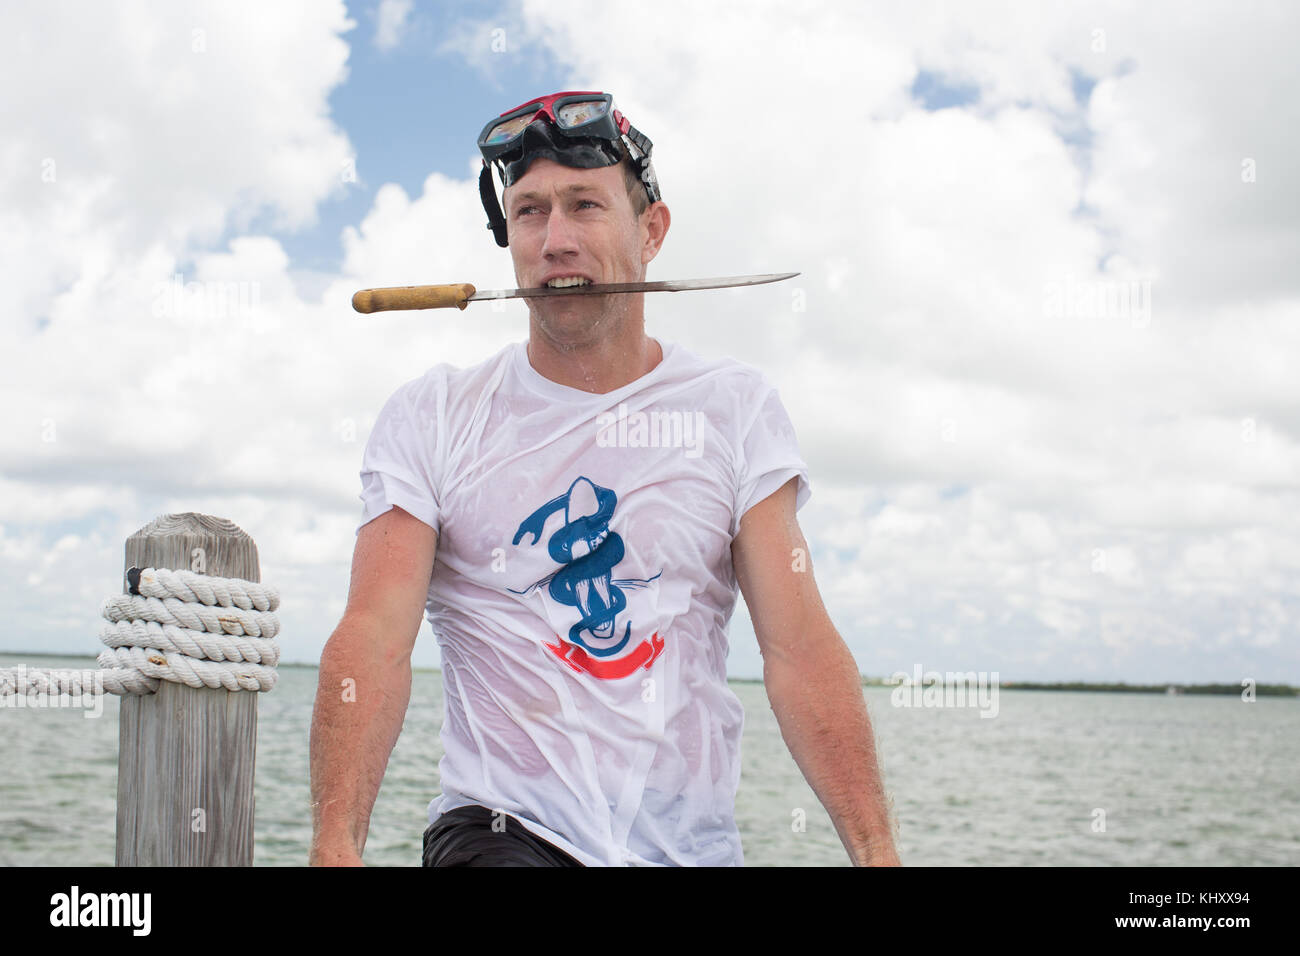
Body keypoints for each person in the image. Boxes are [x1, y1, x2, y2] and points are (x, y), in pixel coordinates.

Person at [309, 91, 900, 867]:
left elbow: (798, 649)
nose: (555, 240)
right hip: (502, 833)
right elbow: (375, 638)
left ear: (650, 231)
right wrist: (334, 844)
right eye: (528, 213)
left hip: (689, 848)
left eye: (585, 205)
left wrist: (876, 851)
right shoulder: (434, 415)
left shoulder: (733, 409)